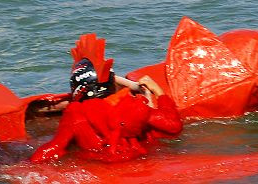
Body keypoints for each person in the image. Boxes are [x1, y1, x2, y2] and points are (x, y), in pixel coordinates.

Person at [30, 34, 182, 163]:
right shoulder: (133, 106)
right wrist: (158, 91)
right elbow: (173, 126)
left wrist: (26, 165)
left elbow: (55, 147)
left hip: (98, 165)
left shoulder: (75, 115)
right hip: (140, 162)